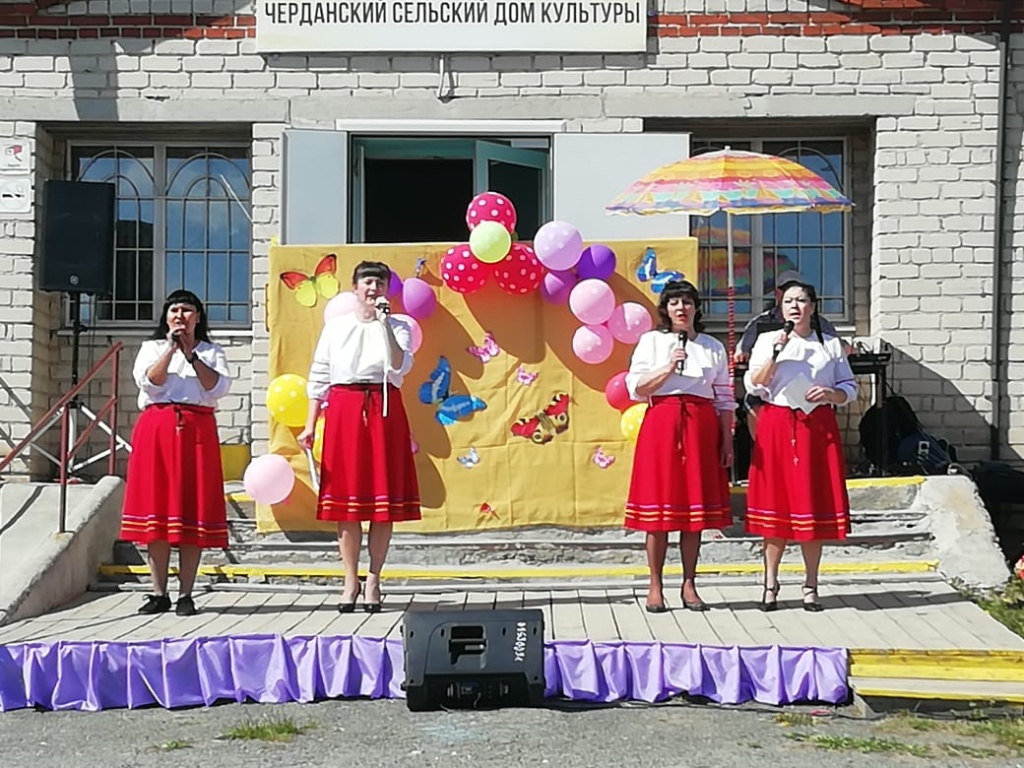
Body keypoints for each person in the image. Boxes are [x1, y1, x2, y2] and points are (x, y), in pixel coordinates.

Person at [297, 260, 420, 614]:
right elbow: (319, 375)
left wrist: (384, 325)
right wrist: (310, 424)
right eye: (367, 282)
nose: (373, 288)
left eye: (379, 283)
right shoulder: (337, 327)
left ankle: (374, 579)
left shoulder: (399, 326)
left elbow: (398, 365)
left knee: (383, 503)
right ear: (355, 288)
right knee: (347, 502)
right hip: (345, 407)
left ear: (387, 290)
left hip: (384, 406)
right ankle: (350, 579)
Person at [744, 278, 857, 613]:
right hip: (778, 422)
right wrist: (775, 355)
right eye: (788, 301)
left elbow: (849, 387)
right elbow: (754, 383)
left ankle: (811, 585)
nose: (795, 306)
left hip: (816, 425)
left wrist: (831, 393)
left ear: (813, 306)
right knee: (776, 503)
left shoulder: (830, 344)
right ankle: (770, 583)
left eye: (801, 300)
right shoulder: (768, 340)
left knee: (813, 503)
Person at [624, 280, 735, 613]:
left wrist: (727, 439)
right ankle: (655, 584)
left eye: (687, 302)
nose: (681, 308)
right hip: (662, 422)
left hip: (701, 425)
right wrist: (668, 367)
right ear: (666, 309)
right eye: (674, 303)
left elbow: (724, 397)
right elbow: (637, 387)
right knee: (658, 510)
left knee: (693, 511)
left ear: (696, 307)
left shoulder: (712, 347)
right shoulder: (651, 342)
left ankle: (689, 583)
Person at [120, 290, 232, 617]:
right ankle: (158, 592)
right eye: (174, 310)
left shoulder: (211, 352)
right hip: (158, 430)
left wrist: (191, 355)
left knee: (191, 510)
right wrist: (172, 349)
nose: (180, 315)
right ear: (166, 317)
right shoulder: (152, 348)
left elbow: (216, 388)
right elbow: (150, 383)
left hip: (197, 431)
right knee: (157, 511)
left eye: (186, 310)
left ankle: (186, 594)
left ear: (198, 316)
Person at [734, 270, 843, 439]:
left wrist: (846, 348)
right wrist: (744, 353)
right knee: (753, 401)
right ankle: (762, 444)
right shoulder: (761, 322)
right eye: (787, 296)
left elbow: (839, 346)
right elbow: (742, 350)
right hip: (772, 390)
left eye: (800, 299)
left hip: (812, 395)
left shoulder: (821, 323)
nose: (794, 305)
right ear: (778, 294)